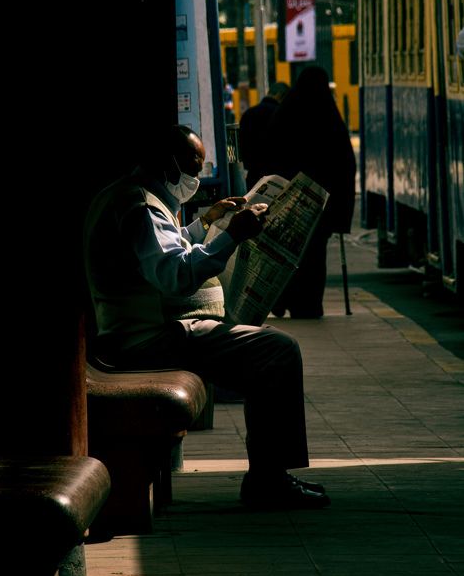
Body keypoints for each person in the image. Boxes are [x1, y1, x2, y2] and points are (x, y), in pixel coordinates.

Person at [83, 123, 330, 510]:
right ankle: (269, 480)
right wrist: (232, 236)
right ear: (168, 164)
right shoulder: (139, 206)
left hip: (149, 331)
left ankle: (270, 474)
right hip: (150, 339)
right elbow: (174, 273)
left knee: (263, 349)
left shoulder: (132, 197)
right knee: (276, 351)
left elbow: (165, 248)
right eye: (192, 168)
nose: (196, 177)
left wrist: (206, 223)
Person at [264, 66, 356, 319]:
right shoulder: (330, 119)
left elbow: (270, 156)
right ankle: (309, 304)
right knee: (315, 257)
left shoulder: (284, 115)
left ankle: (283, 299)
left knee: (286, 253)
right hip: (321, 205)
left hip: (290, 200)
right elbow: (345, 164)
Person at [239, 81, 291, 190]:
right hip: (278, 177)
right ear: (280, 96)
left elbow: (243, 148)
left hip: (254, 177)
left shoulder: (248, 114)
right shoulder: (282, 114)